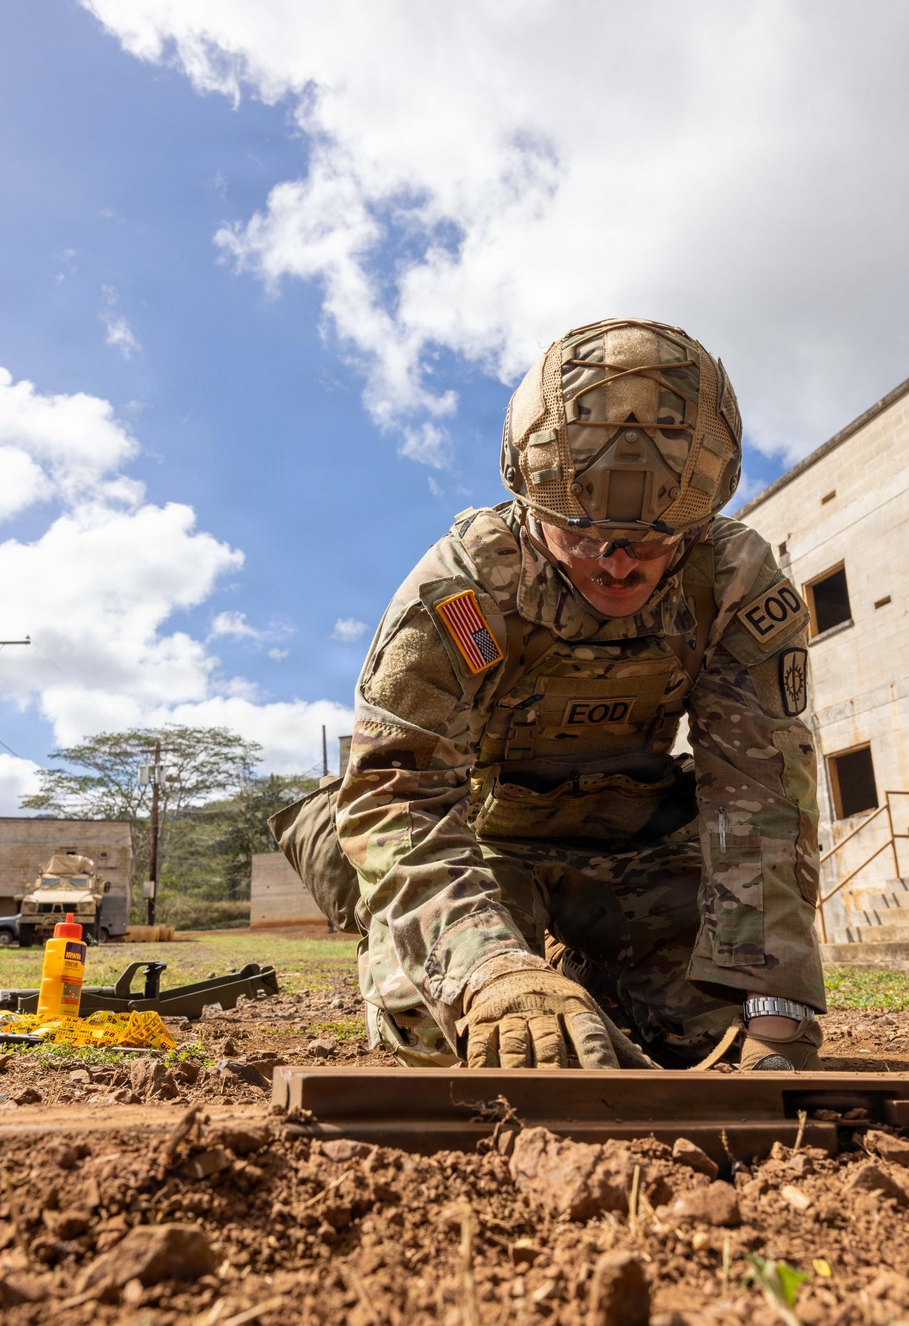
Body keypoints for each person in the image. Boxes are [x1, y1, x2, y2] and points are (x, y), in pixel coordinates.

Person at [335, 318, 825, 1071]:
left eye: (653, 538)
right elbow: (395, 792)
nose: (619, 562)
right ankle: (522, 959)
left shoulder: (731, 582)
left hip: (640, 852)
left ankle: (592, 977)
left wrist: (775, 1005)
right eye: (584, 531)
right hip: (489, 850)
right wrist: (488, 964)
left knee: (722, 1031)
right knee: (444, 1031)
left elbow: (760, 795)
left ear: (698, 517)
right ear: (532, 501)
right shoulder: (464, 588)